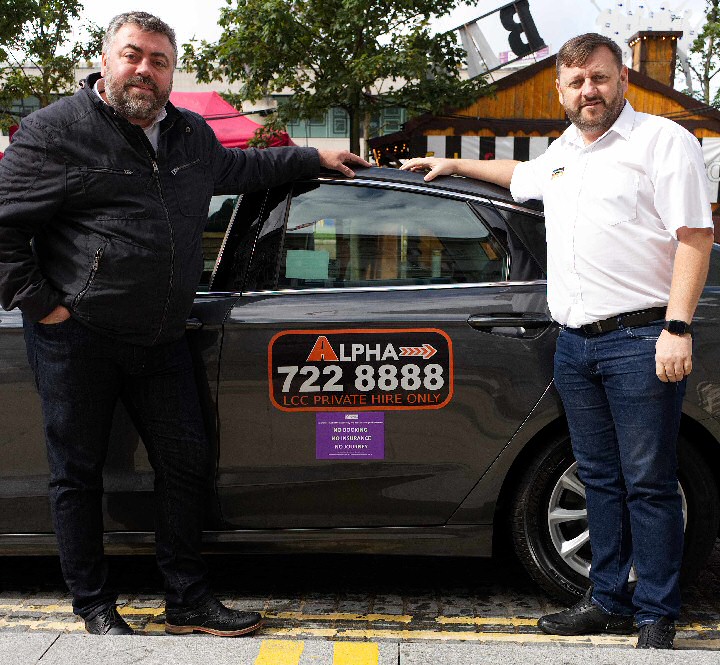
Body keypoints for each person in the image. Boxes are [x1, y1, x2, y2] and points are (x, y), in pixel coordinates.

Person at [0, 11, 368, 637]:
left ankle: (187, 600)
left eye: (159, 61)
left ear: (173, 74)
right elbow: (3, 231)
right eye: (133, 55)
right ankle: (92, 605)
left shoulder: (189, 136)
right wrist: (46, 307)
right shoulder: (53, 131)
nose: (144, 70)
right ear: (107, 58)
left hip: (162, 335)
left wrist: (314, 155)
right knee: (78, 473)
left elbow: (244, 171)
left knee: (186, 464)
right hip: (78, 337)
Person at [402, 32, 714, 650]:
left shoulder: (662, 141)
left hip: (641, 336)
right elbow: (520, 177)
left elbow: (694, 236)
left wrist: (677, 327)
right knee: (598, 476)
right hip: (575, 344)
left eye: (598, 78)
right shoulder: (566, 150)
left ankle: (656, 612)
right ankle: (605, 599)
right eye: (576, 82)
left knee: (647, 480)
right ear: (561, 90)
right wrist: (454, 164)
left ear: (620, 77)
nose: (588, 91)